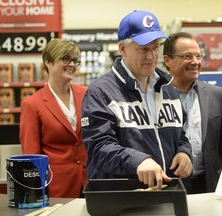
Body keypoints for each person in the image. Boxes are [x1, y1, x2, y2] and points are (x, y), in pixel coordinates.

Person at [81, 10, 193, 190]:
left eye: (155, 47)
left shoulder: (168, 87)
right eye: (144, 49)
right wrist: (138, 160)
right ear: (123, 49)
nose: (152, 56)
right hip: (123, 198)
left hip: (167, 193)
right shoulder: (100, 92)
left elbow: (180, 135)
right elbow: (98, 148)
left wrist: (184, 152)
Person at [163, 32, 222, 193]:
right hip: (170, 185)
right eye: (187, 56)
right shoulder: (155, 96)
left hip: (208, 185)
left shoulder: (216, 94)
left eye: (198, 56)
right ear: (167, 60)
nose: (195, 62)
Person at [20, 39, 88, 198]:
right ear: (48, 62)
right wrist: (37, 194)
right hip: (56, 189)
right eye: (66, 59)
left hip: (90, 183)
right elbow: (31, 156)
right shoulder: (32, 104)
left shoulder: (87, 94)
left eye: (75, 60)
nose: (72, 64)